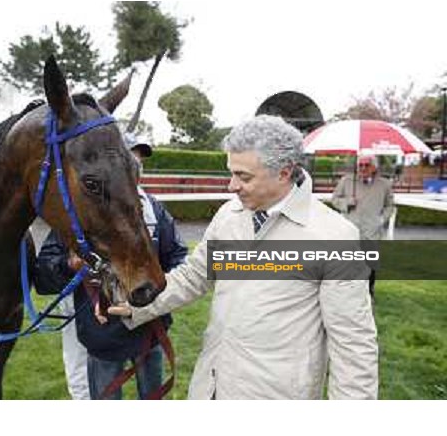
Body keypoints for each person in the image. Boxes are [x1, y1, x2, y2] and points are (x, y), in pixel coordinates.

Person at [109, 115, 378, 400]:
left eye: (243, 176)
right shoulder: (229, 216)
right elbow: (194, 276)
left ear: (284, 173)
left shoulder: (335, 236)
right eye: (231, 173)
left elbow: (353, 344)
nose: (231, 186)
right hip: (211, 387)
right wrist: (136, 304)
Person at [34, 133, 188, 400]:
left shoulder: (155, 210)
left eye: (138, 164)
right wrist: (71, 264)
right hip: (102, 338)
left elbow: (180, 259)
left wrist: (161, 299)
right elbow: (44, 277)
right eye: (129, 161)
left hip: (150, 332)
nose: (135, 169)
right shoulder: (79, 215)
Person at [331, 154, 394, 296]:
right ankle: (346, 291)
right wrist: (347, 202)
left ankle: (369, 292)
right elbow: (334, 199)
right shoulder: (347, 181)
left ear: (374, 168)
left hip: (372, 230)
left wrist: (381, 220)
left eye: (367, 165)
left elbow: (389, 206)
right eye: (360, 165)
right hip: (350, 229)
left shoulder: (384, 184)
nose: (363, 168)